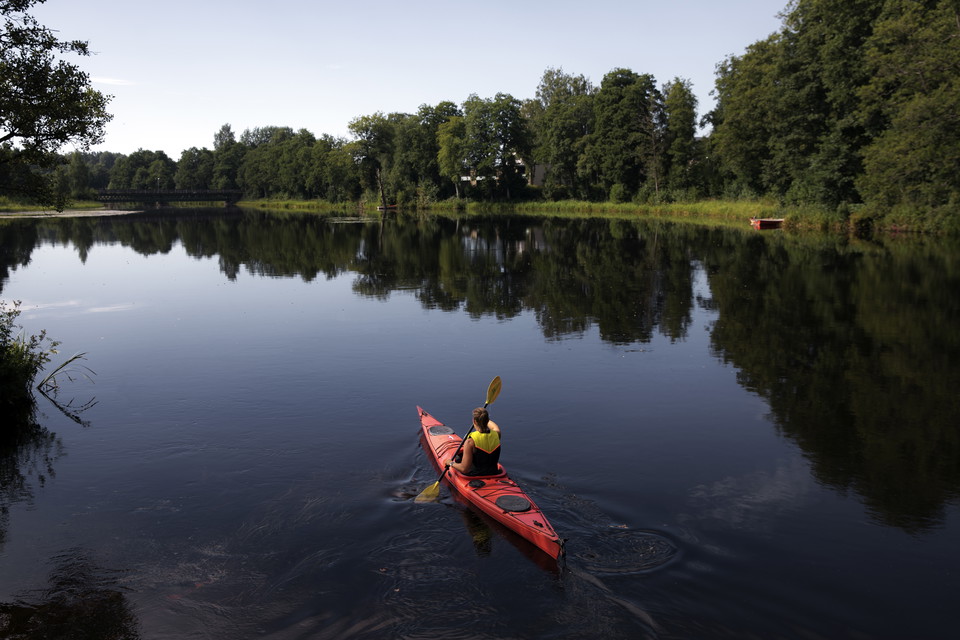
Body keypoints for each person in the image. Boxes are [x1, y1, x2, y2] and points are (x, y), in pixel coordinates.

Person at [445, 407, 501, 476]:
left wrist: (450, 463)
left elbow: (464, 469)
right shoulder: (496, 434)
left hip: (476, 476)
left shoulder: (470, 442)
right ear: (487, 421)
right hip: (494, 473)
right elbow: (494, 427)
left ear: (474, 421)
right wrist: (484, 419)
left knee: (458, 458)